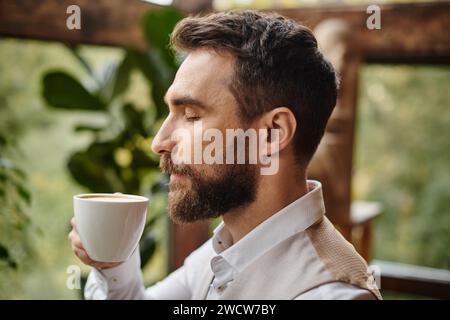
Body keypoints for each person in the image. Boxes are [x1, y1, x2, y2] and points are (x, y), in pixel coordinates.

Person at [68, 10, 381, 300]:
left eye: (190, 115)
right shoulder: (225, 248)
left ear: (272, 132)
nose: (159, 141)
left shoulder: (330, 294)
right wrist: (112, 265)